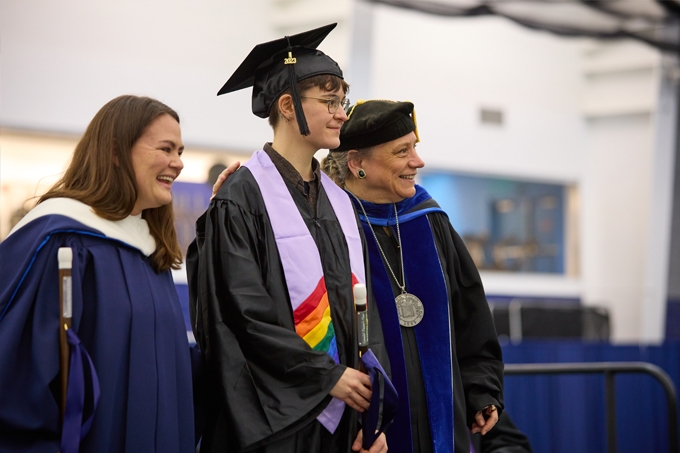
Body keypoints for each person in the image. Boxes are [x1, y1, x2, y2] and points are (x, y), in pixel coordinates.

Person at [186, 24, 389, 453]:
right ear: (287, 105)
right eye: (329, 101)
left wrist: (368, 413)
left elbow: (361, 310)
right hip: (274, 420)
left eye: (342, 101)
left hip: (341, 416)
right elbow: (242, 314)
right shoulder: (242, 196)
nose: (341, 113)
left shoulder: (339, 202)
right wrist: (325, 375)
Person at [0, 95, 196, 452]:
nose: (178, 163)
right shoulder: (61, 240)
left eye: (180, 151)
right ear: (116, 151)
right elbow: (17, 374)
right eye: (166, 148)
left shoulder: (150, 250)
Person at [321, 99, 505, 453]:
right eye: (402, 151)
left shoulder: (430, 220)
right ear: (358, 163)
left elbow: (471, 318)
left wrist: (481, 389)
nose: (417, 162)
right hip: (367, 434)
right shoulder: (332, 230)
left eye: (415, 148)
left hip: (442, 425)